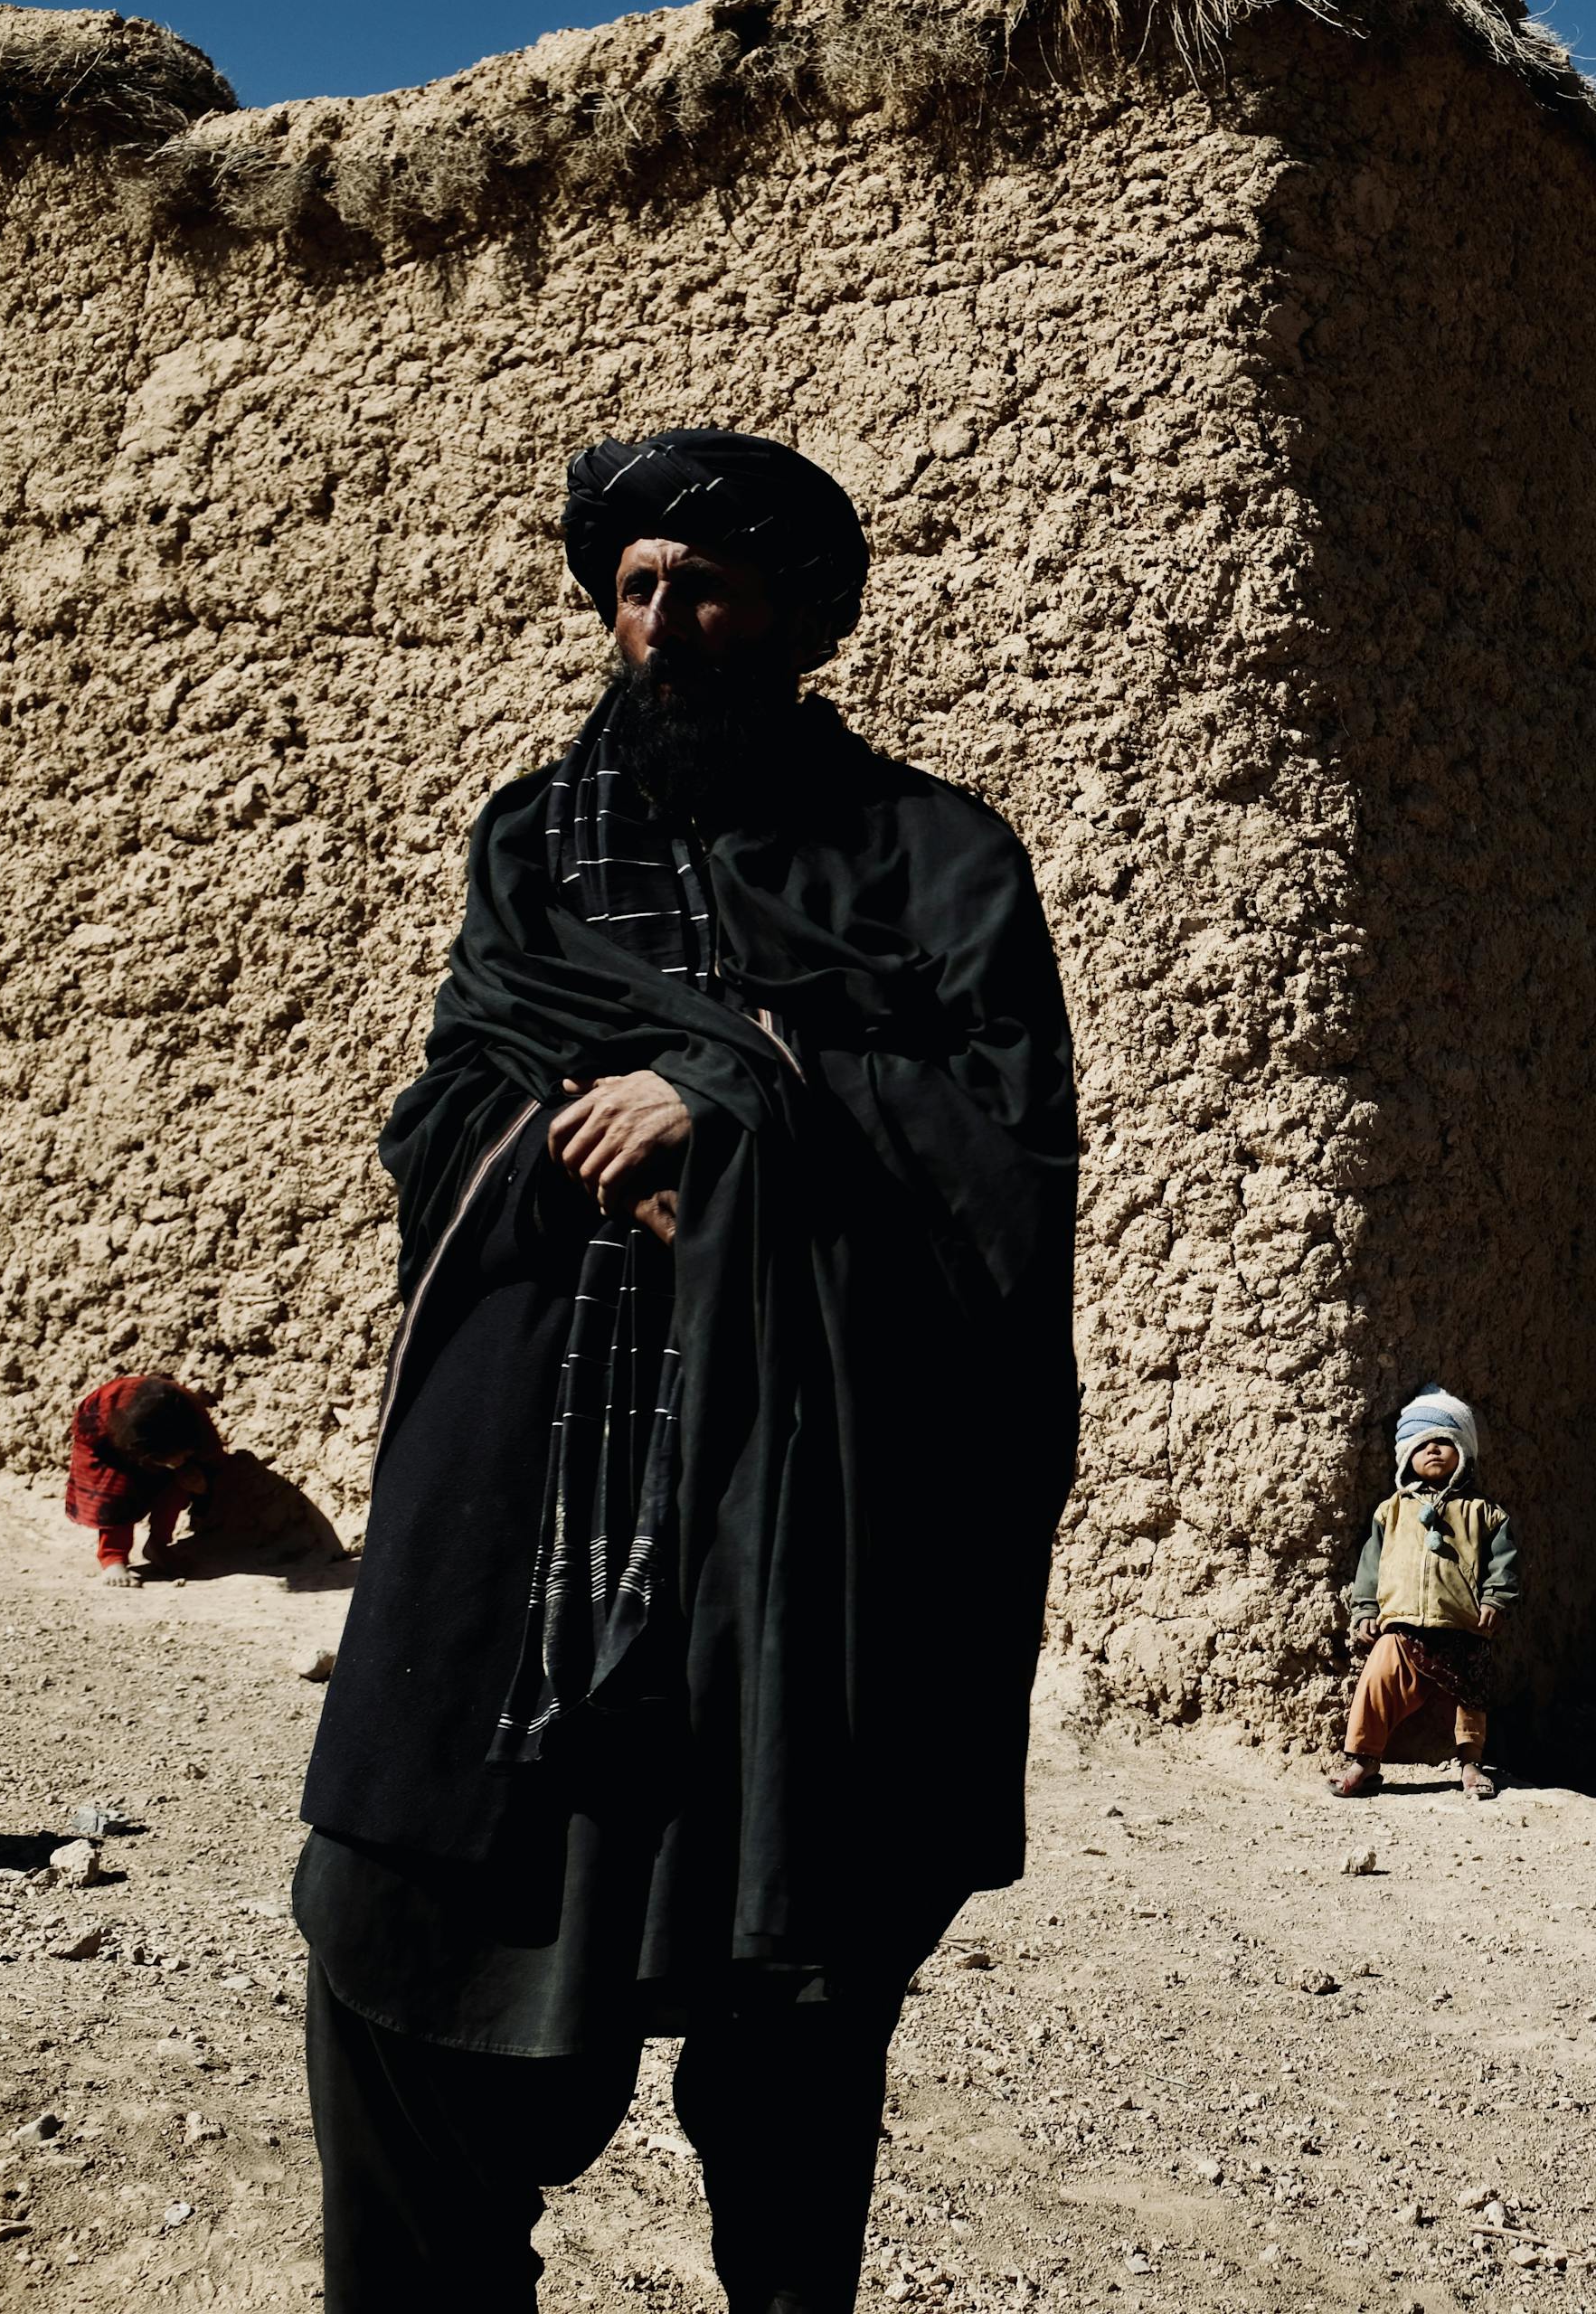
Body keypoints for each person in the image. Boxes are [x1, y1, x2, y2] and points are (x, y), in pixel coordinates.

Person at [293, 429, 1078, 2314]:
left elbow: (1006, 1169)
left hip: (798, 1535)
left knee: (793, 2026)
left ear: (799, 617)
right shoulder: (533, 839)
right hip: (534, 1498)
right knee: (396, 1935)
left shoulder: (935, 861)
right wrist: (590, 1125)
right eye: (632, 586)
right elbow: (451, 1104)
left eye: (705, 588)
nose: (659, 623)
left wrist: (738, 1118)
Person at [1336, 1387, 1519, 1801]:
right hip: (1400, 1626)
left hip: (1462, 1626)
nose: (1433, 1450)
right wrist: (1365, 1608)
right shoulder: (1392, 1510)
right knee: (1376, 1681)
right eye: (1423, 1444)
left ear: (1462, 1450)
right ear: (1406, 1456)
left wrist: (1494, 1599)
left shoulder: (1485, 1512)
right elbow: (1371, 1564)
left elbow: (1502, 1563)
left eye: (1444, 1442)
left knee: (1470, 1695)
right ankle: (1363, 1760)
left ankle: (1471, 1764)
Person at [64, 1373, 227, 1585]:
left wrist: (200, 1488)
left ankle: (158, 1546)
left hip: (157, 1441)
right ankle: (113, 1557)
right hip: (110, 1442)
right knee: (116, 1488)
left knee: (181, 1483)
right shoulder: (100, 1414)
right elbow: (94, 1451)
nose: (177, 1462)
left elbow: (213, 1462)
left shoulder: (194, 1420)